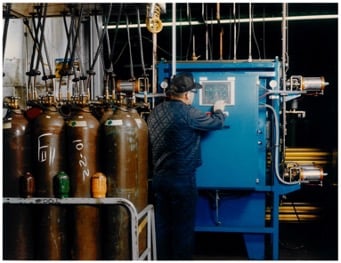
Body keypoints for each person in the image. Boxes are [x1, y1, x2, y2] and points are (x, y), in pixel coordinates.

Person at [147, 72, 226, 260]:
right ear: (187, 95)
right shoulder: (189, 113)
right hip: (182, 180)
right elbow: (216, 123)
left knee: (162, 228)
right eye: (193, 93)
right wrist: (220, 109)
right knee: (182, 230)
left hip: (159, 179)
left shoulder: (155, 111)